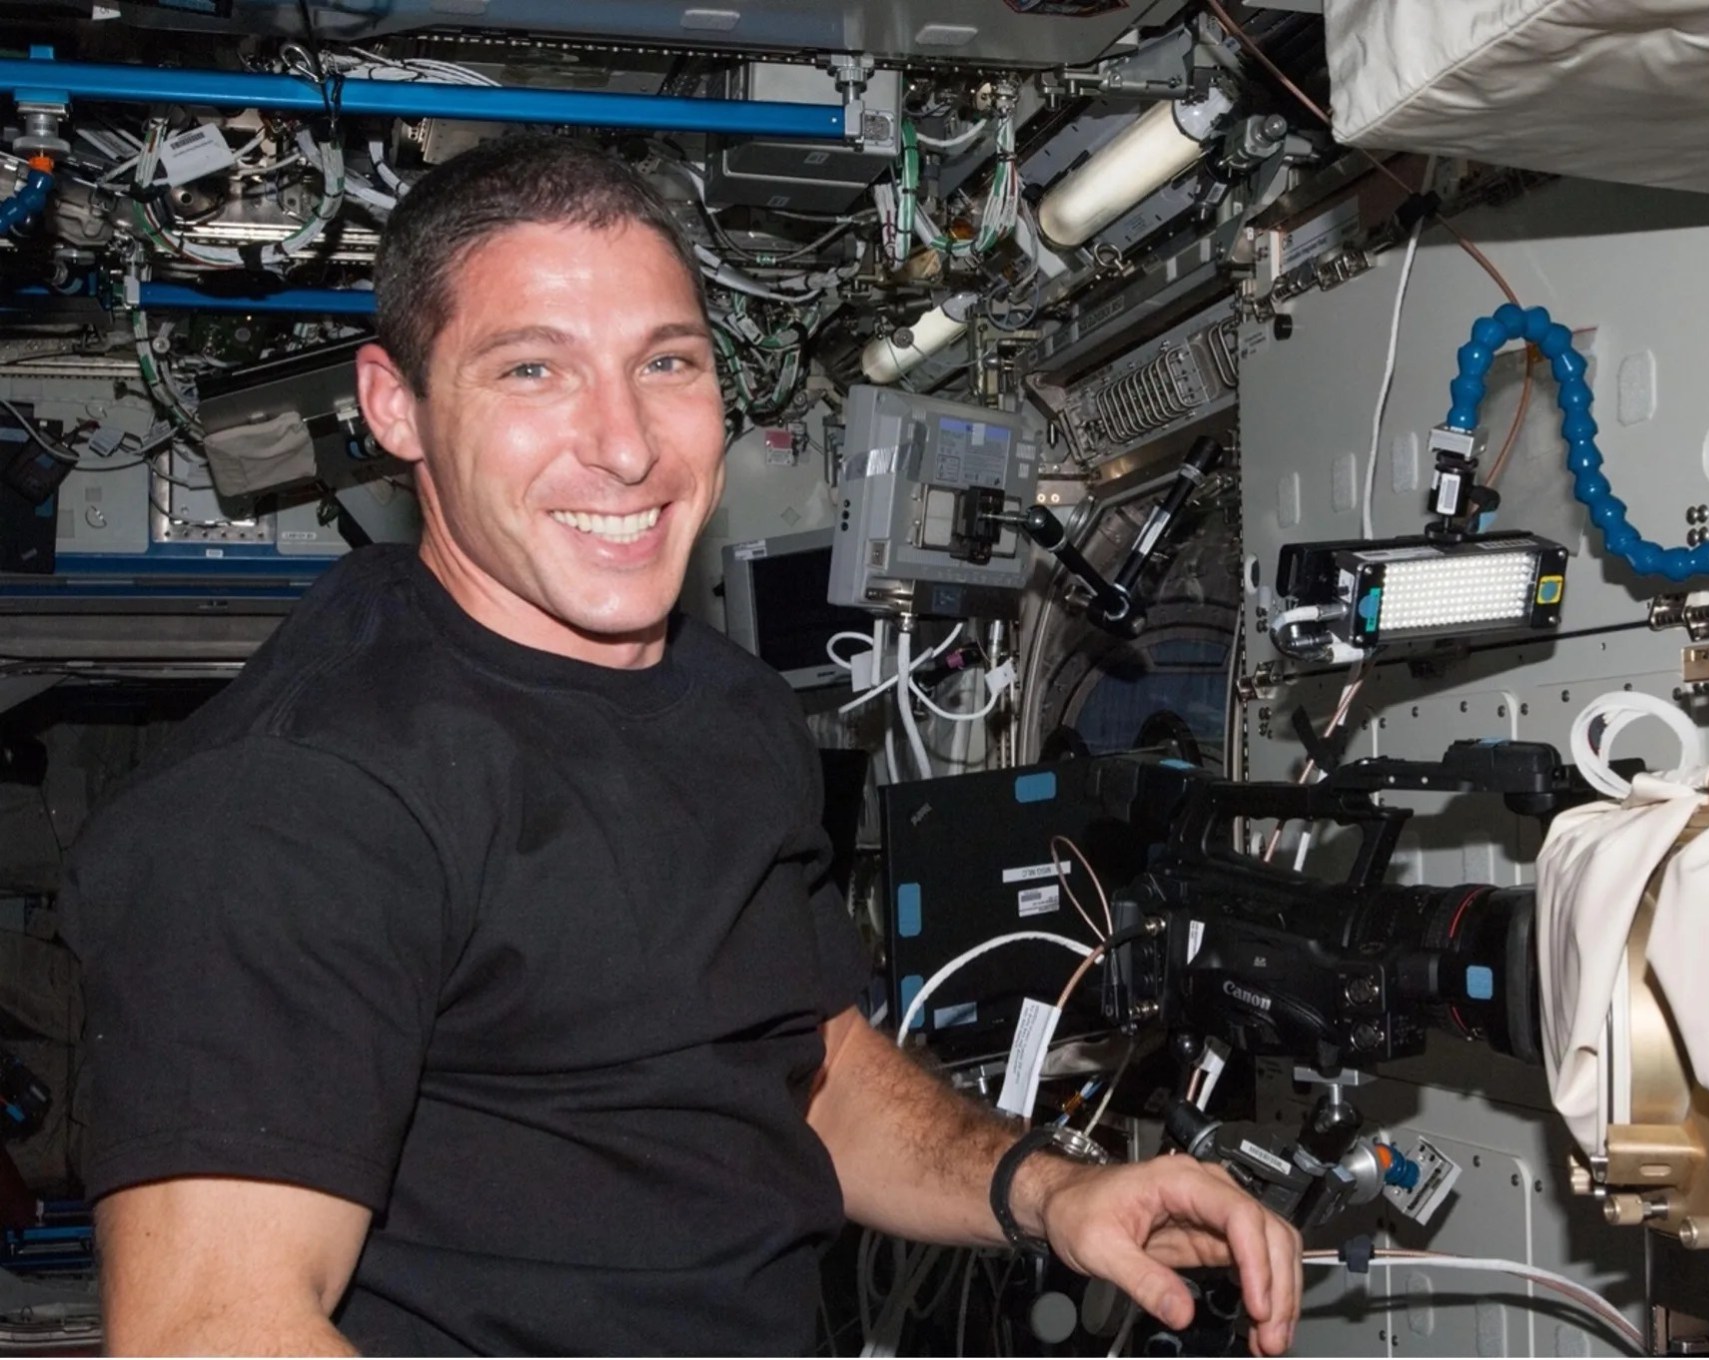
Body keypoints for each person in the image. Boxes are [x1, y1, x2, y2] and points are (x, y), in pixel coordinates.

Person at [58, 135, 1302, 1356]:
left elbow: (802, 1057)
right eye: (531, 371)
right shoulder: (296, 798)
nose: (626, 444)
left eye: (666, 361)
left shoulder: (725, 702)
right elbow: (210, 1327)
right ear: (397, 405)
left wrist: (1045, 1190)